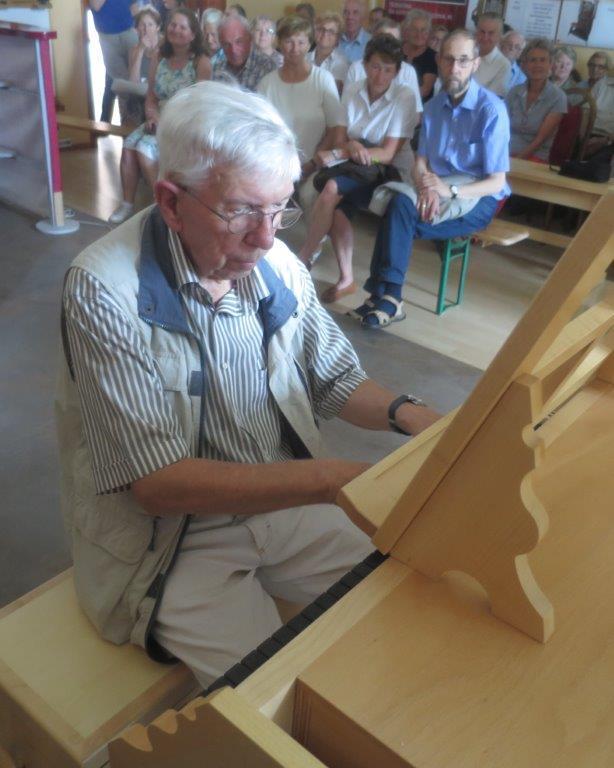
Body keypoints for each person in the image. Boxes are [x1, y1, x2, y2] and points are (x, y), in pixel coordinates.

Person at [57, 79, 440, 687]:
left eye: (280, 208)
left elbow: (335, 378)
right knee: (278, 686)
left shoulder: (275, 263)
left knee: (405, 595)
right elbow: (157, 486)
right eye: (241, 211)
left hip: (278, 494)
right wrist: (330, 479)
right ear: (171, 201)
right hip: (170, 539)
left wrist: (416, 418)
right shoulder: (104, 288)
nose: (266, 237)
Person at [350, 28, 510, 329]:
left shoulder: (491, 110)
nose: (455, 68)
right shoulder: (434, 107)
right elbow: (421, 161)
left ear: (475, 64)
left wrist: (447, 190)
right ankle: (386, 297)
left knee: (399, 213)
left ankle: (385, 296)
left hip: (478, 198)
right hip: (436, 187)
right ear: (438, 61)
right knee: (399, 205)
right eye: (448, 59)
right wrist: (427, 187)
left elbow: (496, 182)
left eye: (463, 60)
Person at [298, 35, 417, 304]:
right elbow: (341, 138)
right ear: (364, 65)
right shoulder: (353, 89)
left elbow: (387, 153)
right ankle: (346, 279)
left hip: (389, 172)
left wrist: (345, 150)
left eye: (388, 69)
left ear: (397, 72)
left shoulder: (405, 96)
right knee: (337, 210)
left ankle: (303, 258)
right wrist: (351, 146)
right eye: (375, 67)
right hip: (355, 166)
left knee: (331, 188)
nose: (380, 76)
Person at [109, 8, 211, 224]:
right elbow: (151, 95)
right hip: (159, 117)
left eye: (183, 27)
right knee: (128, 146)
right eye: (173, 25)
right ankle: (127, 204)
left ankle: (163, 207)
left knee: (144, 149)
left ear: (193, 34)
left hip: (184, 123)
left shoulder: (201, 62)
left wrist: (168, 122)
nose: (176, 30)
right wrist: (152, 115)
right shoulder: (159, 57)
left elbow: (201, 105)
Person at [257, 15, 341, 182]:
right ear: (279, 43)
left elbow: (334, 129)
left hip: (314, 168)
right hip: (275, 168)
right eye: (289, 41)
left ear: (309, 45)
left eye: (301, 42)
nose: (295, 48)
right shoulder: (267, 84)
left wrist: (312, 163)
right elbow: (261, 131)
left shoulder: (323, 80)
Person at [505, 39, 566, 163]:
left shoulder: (558, 97)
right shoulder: (514, 92)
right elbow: (501, 128)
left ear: (550, 64)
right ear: (524, 65)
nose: (537, 65)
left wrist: (515, 161)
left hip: (535, 157)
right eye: (532, 60)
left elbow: (540, 140)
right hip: (506, 152)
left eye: (542, 60)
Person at [345, 18, 422, 116]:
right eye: (384, 40)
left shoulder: (408, 71)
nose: (388, 46)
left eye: (394, 41)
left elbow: (416, 112)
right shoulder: (356, 68)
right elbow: (345, 110)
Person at [88, 0, 139, 122]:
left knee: (136, 76)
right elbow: (96, 5)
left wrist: (138, 25)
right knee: (121, 83)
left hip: (130, 31)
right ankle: (127, 123)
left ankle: (138, 120)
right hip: (108, 36)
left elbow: (133, 5)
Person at [112, 5, 161, 126]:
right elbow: (133, 82)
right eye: (142, 25)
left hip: (159, 96)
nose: (146, 29)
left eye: (150, 25)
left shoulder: (165, 48)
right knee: (131, 100)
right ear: (137, 29)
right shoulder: (134, 50)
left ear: (157, 27)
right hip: (140, 96)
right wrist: (141, 50)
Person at [213, 15, 277, 90]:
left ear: (250, 38)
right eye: (226, 44)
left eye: (239, 42)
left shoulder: (266, 66)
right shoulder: (217, 68)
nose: (233, 50)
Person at [308, 12, 350, 93]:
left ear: (338, 38)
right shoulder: (304, 58)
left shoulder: (342, 63)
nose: (325, 34)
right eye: (321, 29)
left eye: (331, 31)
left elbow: (333, 91)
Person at [401, 9, 437, 102]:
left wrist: (399, 98)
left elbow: (425, 90)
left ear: (429, 33)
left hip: (420, 106)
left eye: (423, 30)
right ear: (407, 31)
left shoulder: (432, 57)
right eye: (414, 29)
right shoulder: (396, 50)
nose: (419, 34)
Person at [474, 12, 510, 97]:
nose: (485, 37)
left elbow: (490, 99)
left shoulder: (503, 65)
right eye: (482, 31)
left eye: (491, 33)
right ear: (476, 32)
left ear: (499, 36)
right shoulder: (466, 53)